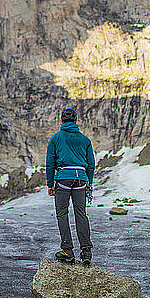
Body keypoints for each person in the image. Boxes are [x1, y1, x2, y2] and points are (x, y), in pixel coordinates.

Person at [46, 107, 95, 265]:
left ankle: (67, 250)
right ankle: (86, 251)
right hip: (81, 179)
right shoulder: (85, 140)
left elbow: (50, 163)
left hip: (63, 179)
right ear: (76, 121)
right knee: (80, 214)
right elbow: (91, 165)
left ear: (61, 121)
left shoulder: (55, 138)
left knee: (62, 213)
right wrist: (89, 181)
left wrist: (50, 183)